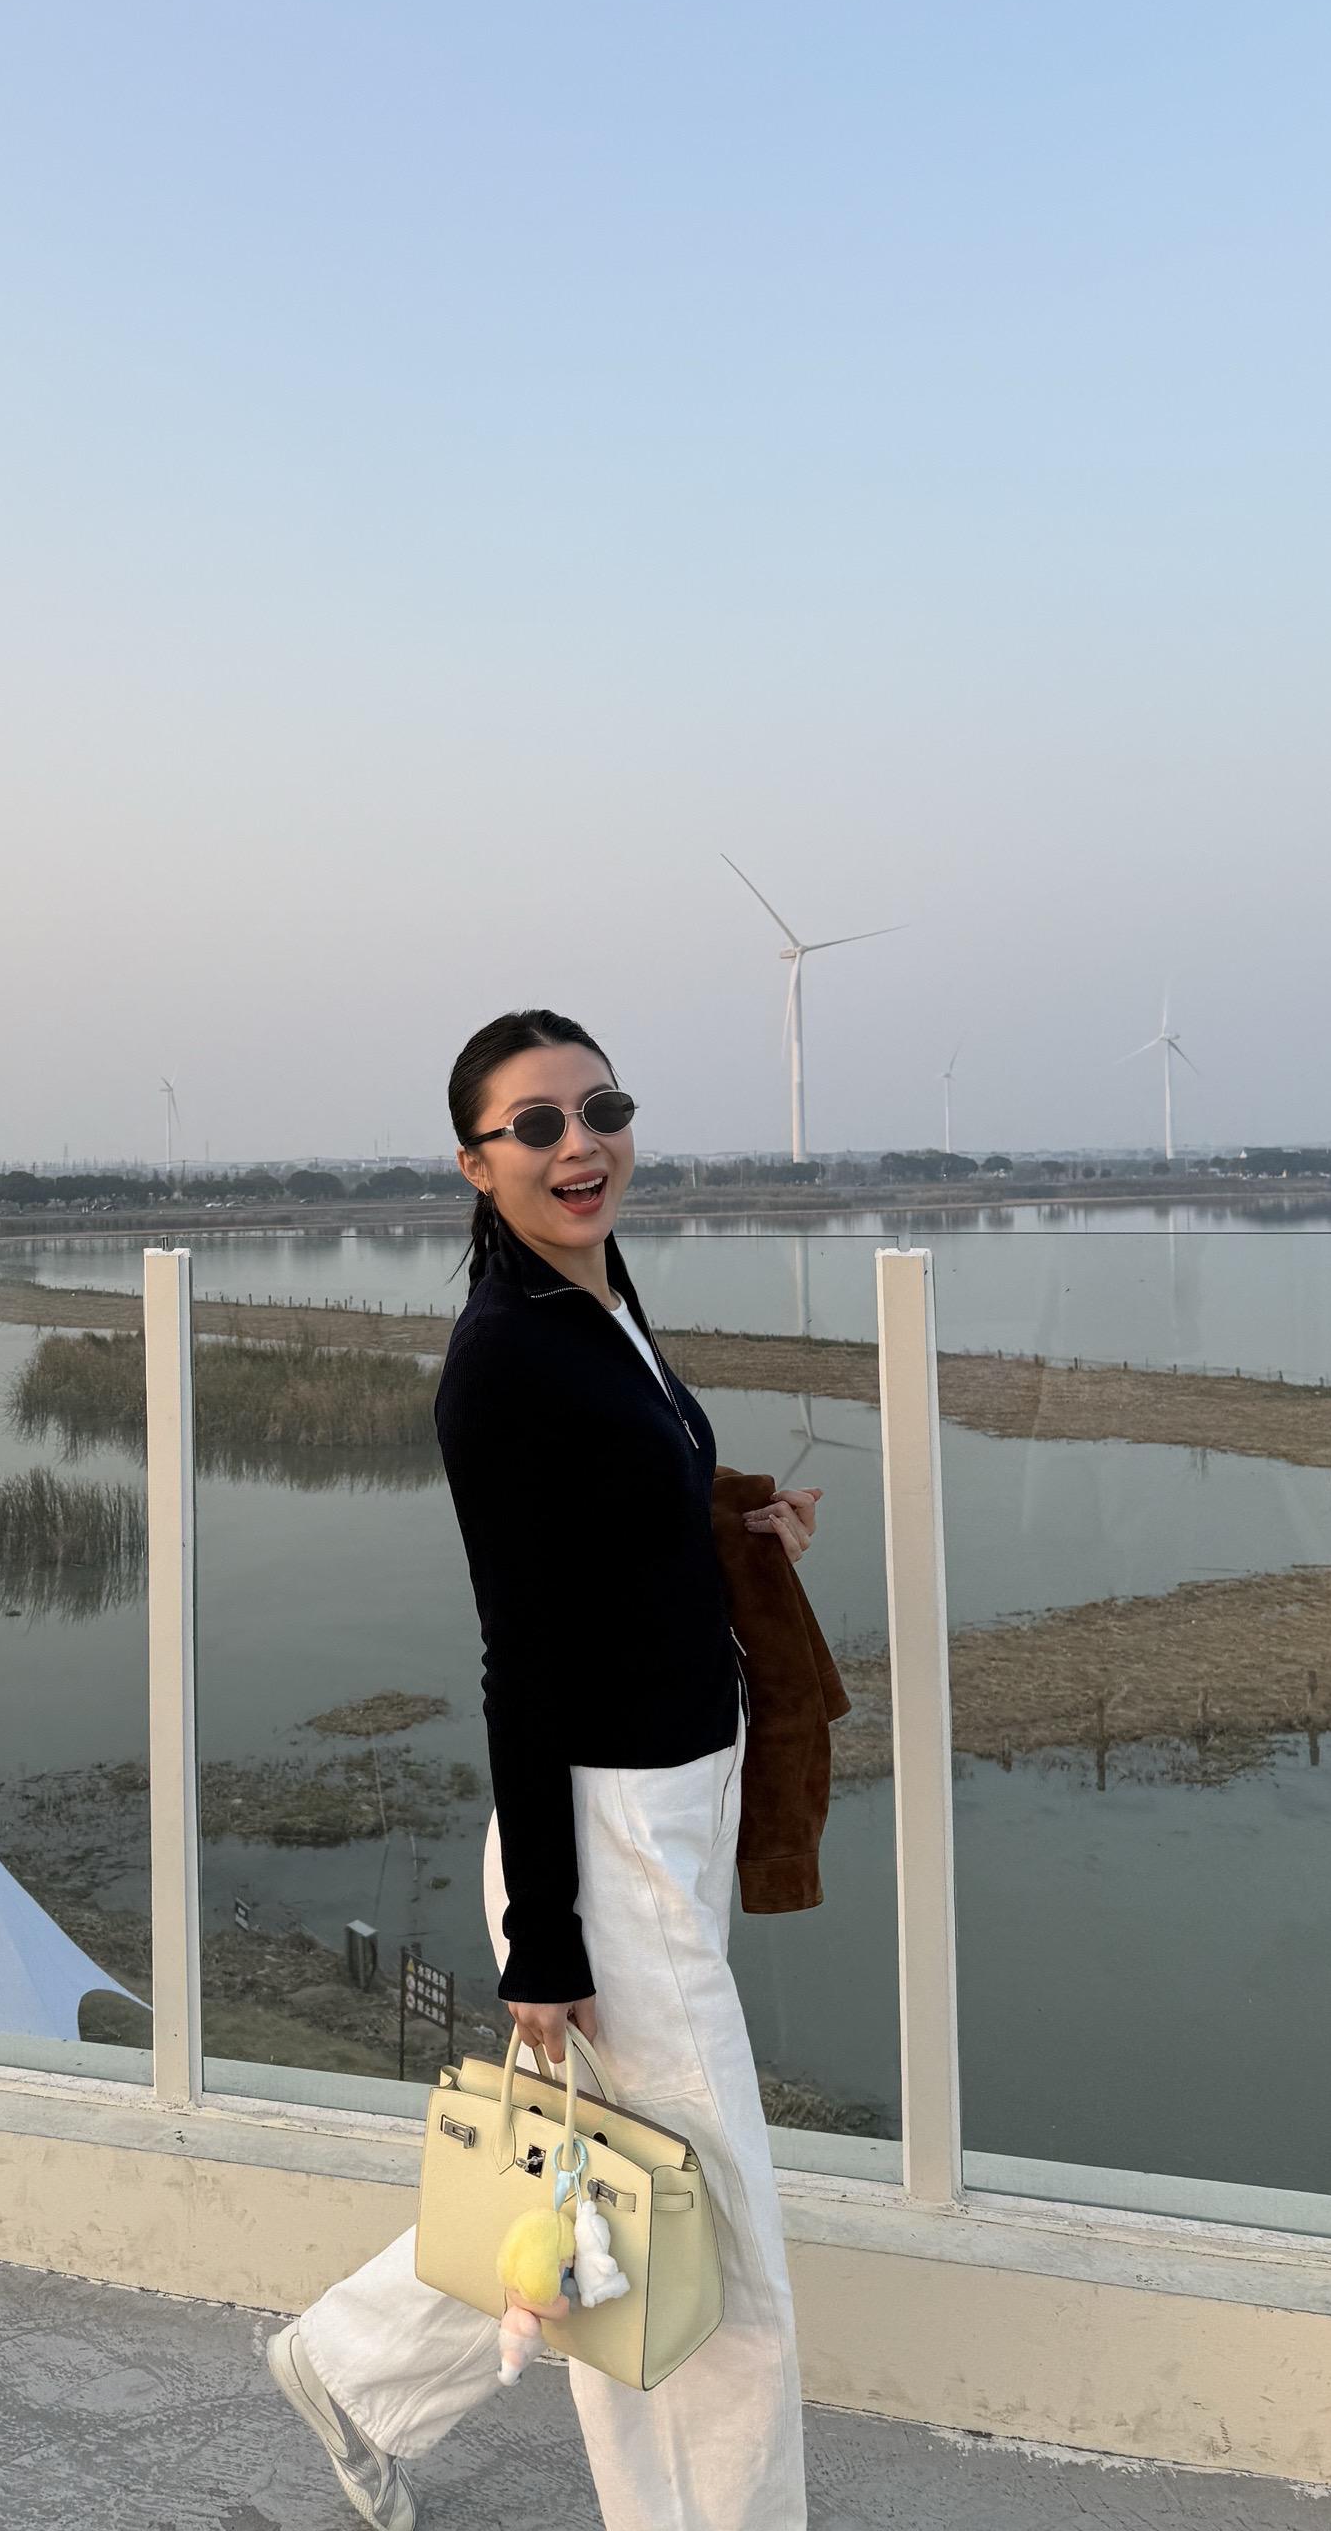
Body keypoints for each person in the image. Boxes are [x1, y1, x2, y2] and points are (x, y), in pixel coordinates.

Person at [270, 1008, 821, 2531]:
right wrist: (546, 1946)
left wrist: (731, 1527)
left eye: (602, 1110)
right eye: (537, 1126)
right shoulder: (503, 1358)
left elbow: (616, 1526)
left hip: (672, 1808)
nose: (581, 1145)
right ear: (476, 1164)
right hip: (605, 1836)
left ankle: (353, 2372)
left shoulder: (597, 1299)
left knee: (606, 2187)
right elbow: (520, 1659)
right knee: (718, 2240)